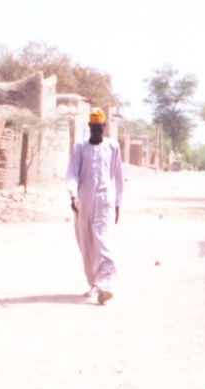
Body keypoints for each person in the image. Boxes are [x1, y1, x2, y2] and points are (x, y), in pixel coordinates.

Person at [66, 107, 123, 305]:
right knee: (87, 242)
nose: (97, 132)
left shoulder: (113, 147)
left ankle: (105, 285)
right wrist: (73, 195)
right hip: (84, 201)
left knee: (103, 241)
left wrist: (117, 204)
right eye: (94, 128)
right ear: (89, 127)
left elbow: (117, 177)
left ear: (104, 127)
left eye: (100, 128)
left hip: (105, 201)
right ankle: (94, 282)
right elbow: (72, 173)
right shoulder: (80, 147)